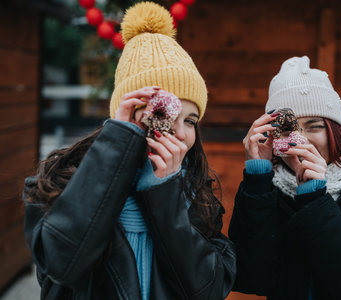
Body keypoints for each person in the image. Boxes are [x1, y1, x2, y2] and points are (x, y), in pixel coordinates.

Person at [22, 2, 236, 299]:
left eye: (191, 120)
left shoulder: (197, 194)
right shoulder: (59, 180)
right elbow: (62, 263)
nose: (182, 133)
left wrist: (164, 193)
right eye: (164, 114)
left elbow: (208, 290)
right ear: (128, 115)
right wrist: (119, 143)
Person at [228, 56, 341, 300]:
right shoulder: (265, 195)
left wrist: (315, 197)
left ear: (334, 132)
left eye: (314, 126)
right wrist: (257, 178)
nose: (301, 138)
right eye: (288, 128)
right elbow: (252, 279)